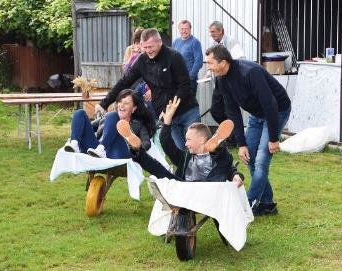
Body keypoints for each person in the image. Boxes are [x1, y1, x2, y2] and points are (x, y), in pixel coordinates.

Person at [205, 45, 291, 216]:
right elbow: (232, 112)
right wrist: (241, 143)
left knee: (261, 162)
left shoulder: (250, 72)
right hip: (256, 115)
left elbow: (270, 104)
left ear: (223, 62)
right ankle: (266, 204)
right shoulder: (222, 79)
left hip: (276, 111)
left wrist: (273, 138)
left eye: (210, 63)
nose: (208, 67)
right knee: (249, 158)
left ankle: (247, 207)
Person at [96, 28, 200, 151]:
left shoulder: (174, 57)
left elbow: (184, 85)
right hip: (167, 116)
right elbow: (124, 82)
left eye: (151, 47)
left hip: (187, 110)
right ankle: (186, 170)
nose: (148, 50)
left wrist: (169, 107)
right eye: (145, 47)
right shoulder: (142, 60)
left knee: (197, 147)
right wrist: (104, 103)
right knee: (181, 151)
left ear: (159, 42)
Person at [116, 96, 244, 187]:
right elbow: (168, 145)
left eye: (188, 139)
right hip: (186, 191)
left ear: (201, 140)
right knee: (159, 170)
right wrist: (167, 122)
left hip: (210, 190)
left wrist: (237, 176)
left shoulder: (216, 161)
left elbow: (230, 170)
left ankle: (217, 148)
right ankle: (137, 149)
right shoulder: (186, 157)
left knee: (223, 163)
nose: (185, 143)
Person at [63, 89, 156, 159]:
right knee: (80, 113)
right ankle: (75, 144)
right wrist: (75, 135)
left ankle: (102, 149)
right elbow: (85, 127)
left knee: (113, 115)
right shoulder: (108, 117)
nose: (121, 105)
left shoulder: (138, 124)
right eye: (120, 102)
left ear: (134, 108)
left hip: (117, 151)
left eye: (126, 103)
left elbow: (146, 144)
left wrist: (133, 145)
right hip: (96, 150)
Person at [208, 21, 245, 125]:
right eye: (210, 32)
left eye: (213, 32)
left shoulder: (231, 41)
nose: (211, 34)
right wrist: (208, 72)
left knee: (231, 110)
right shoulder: (213, 44)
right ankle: (230, 132)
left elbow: (240, 58)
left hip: (231, 79)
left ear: (221, 31)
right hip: (219, 79)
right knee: (215, 110)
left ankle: (234, 136)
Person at [172, 20, 203, 96]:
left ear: (190, 29)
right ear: (179, 29)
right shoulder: (176, 41)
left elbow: (198, 61)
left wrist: (190, 77)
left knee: (190, 103)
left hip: (189, 80)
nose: (184, 31)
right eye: (182, 29)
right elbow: (171, 59)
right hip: (176, 80)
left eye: (186, 28)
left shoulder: (195, 42)